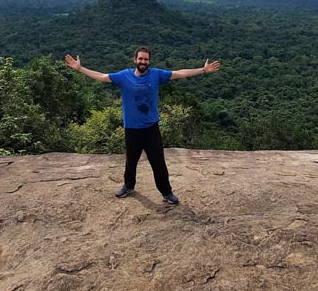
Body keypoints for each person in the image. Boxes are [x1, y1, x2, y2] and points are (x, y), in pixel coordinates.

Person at [64, 47, 221, 205]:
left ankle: (166, 192)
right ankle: (128, 186)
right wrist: (80, 69)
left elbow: (180, 73)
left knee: (158, 161)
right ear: (135, 60)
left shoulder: (156, 74)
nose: (143, 62)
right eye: (140, 59)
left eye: (145, 59)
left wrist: (203, 70)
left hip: (151, 128)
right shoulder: (124, 76)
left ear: (149, 61)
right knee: (131, 160)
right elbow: (102, 77)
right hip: (132, 128)